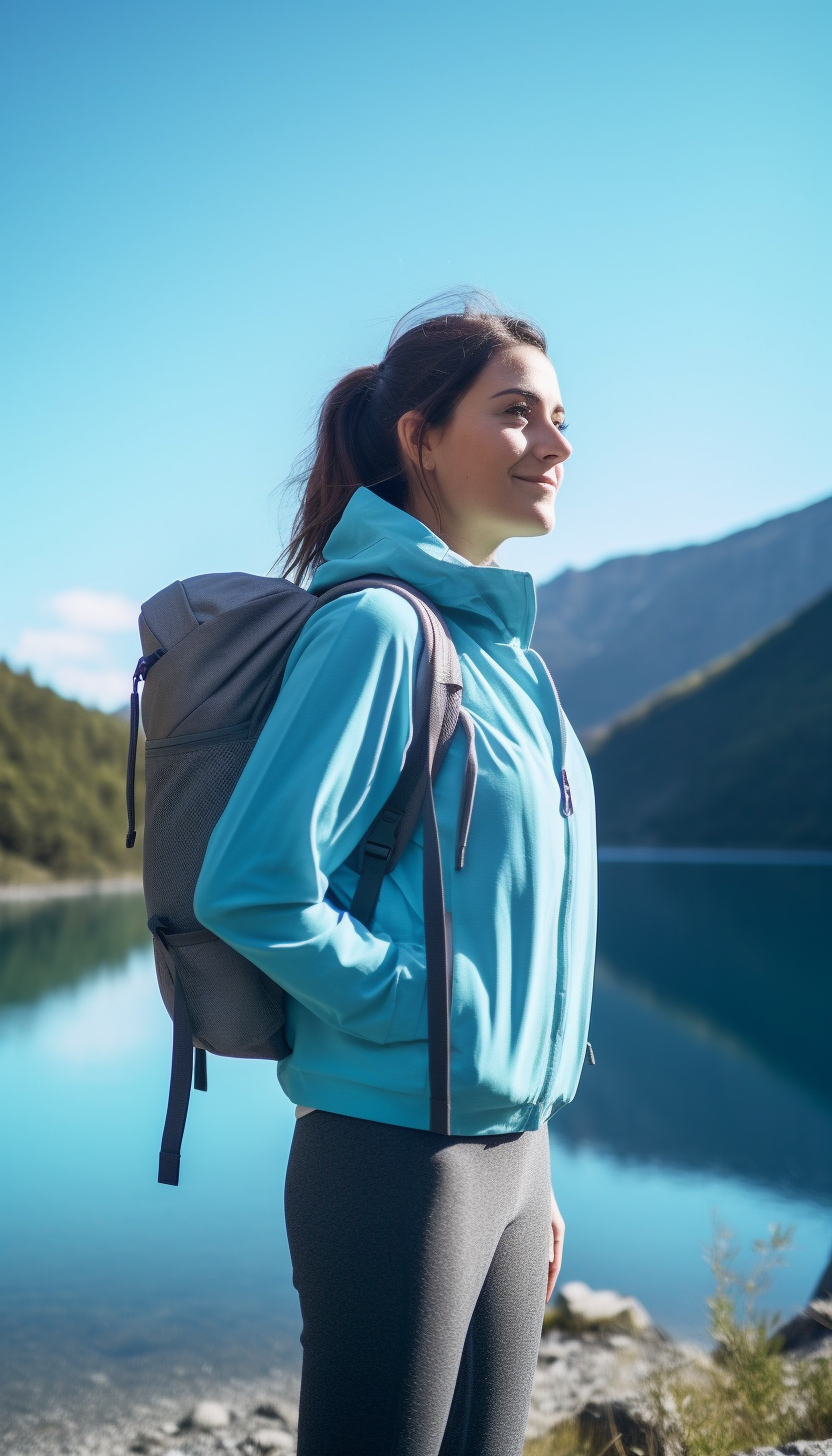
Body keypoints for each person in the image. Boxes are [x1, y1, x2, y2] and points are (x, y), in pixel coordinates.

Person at [193, 296, 597, 1456]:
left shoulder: (513, 661)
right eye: (516, 413)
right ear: (420, 438)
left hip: (509, 1157)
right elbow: (256, 883)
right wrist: (429, 1013)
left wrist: (530, 1144)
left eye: (561, 417)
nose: (556, 445)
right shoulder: (376, 629)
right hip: (391, 1157)